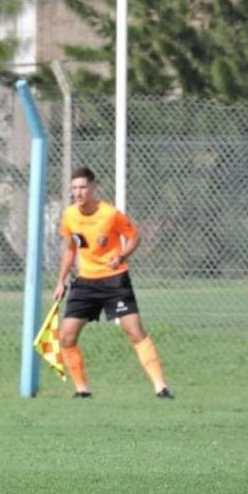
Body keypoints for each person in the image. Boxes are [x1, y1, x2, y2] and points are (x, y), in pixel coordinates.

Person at [52, 166, 172, 400]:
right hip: (85, 282)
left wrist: (122, 256)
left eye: (83, 187)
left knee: (134, 331)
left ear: (93, 187)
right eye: (74, 188)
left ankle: (161, 388)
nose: (78, 192)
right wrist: (61, 281)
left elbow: (134, 236)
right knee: (66, 337)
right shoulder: (69, 215)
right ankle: (82, 390)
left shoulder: (110, 214)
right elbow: (70, 248)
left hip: (114, 280)